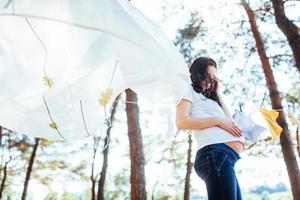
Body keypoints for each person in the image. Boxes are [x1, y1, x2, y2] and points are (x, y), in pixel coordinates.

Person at [175, 57, 245, 200]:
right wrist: (216, 121)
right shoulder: (187, 89)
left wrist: (217, 93)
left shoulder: (209, 99)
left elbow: (230, 121)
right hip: (214, 155)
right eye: (207, 77)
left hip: (226, 158)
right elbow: (181, 122)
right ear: (198, 74)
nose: (210, 81)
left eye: (213, 78)